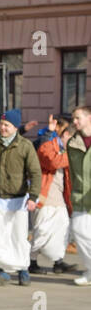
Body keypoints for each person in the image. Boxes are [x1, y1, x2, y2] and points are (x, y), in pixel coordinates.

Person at [0, 109, 42, 286]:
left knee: (17, 236)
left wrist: (33, 196)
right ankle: (1, 271)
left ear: (15, 127)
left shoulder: (25, 145)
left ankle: (23, 270)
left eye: (7, 125)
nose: (3, 128)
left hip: (18, 199)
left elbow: (35, 173)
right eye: (1, 124)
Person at [30, 117, 73, 275]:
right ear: (65, 134)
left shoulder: (65, 149)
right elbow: (52, 162)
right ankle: (31, 262)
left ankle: (58, 262)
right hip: (44, 195)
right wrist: (72, 157)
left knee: (62, 227)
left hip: (59, 196)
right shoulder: (47, 144)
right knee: (41, 230)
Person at [68, 105, 91, 286]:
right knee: (79, 232)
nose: (74, 122)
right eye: (73, 118)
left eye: (77, 118)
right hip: (79, 196)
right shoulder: (72, 143)